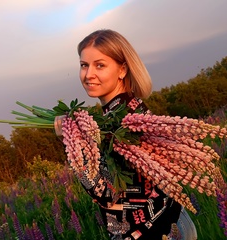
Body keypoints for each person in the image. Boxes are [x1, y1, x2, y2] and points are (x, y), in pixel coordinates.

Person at [76, 29, 197, 240]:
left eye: (100, 65)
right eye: (84, 65)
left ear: (122, 69)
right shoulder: (129, 108)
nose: (88, 74)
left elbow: (107, 195)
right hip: (171, 220)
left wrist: (71, 143)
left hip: (157, 231)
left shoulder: (122, 122)